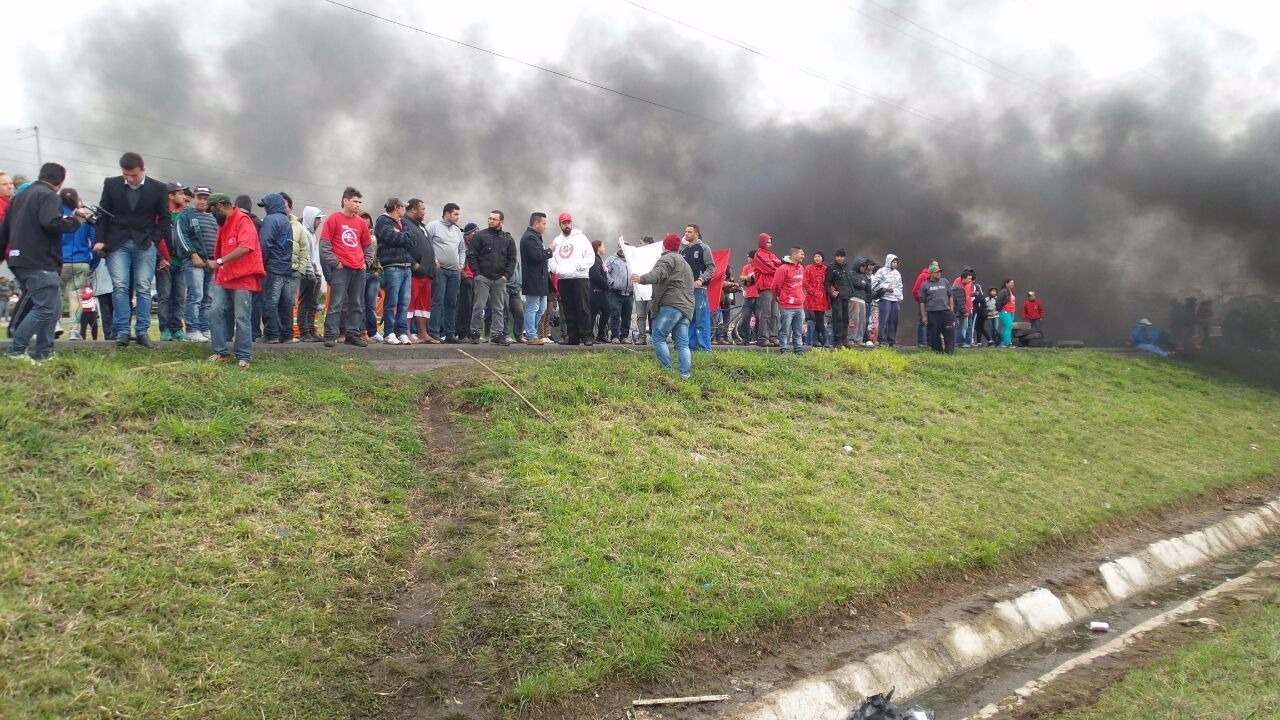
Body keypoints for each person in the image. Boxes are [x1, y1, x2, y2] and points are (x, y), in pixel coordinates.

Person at [2, 163, 93, 362]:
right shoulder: (48, 195)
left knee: (54, 306)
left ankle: (44, 352)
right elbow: (51, 222)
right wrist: (76, 220)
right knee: (45, 307)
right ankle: (16, 351)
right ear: (59, 182)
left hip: (18, 258)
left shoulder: (18, 197)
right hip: (39, 260)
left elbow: (5, 229)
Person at [94, 152, 171, 349]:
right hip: (118, 243)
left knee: (143, 287)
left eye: (133, 175)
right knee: (120, 286)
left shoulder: (158, 188)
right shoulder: (111, 184)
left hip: (145, 243)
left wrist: (154, 240)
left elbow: (164, 219)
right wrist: (100, 240)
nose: (129, 179)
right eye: (125, 175)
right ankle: (122, 331)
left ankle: (142, 331)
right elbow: (102, 215)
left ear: (142, 170)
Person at [205, 193, 266, 368]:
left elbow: (246, 247)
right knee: (215, 311)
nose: (212, 214)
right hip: (224, 276)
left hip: (243, 276)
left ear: (222, 205)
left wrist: (218, 262)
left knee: (241, 316)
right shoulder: (223, 224)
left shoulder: (243, 220)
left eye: (213, 210)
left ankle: (244, 356)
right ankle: (220, 351)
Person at [631, 233, 694, 378]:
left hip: (671, 305)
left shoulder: (667, 259)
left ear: (665, 246)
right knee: (683, 344)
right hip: (686, 308)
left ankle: (667, 372)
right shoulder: (686, 264)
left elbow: (658, 274)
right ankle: (685, 376)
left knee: (658, 337)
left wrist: (641, 278)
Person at [319, 187, 374, 347]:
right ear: (345, 201)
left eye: (359, 202)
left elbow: (368, 244)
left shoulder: (359, 222)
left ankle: (352, 334)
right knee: (336, 303)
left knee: (357, 303)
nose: (358, 205)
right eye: (355, 201)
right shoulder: (333, 219)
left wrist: (366, 262)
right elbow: (324, 244)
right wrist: (335, 262)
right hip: (341, 268)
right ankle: (330, 335)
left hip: (359, 269)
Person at [466, 210, 517, 346]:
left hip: (500, 279)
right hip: (483, 277)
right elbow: (471, 255)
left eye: (494, 219)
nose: (491, 221)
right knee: (479, 306)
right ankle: (475, 333)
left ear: (501, 221)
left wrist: (506, 276)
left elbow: (512, 259)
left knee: (498, 308)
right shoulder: (480, 236)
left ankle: (496, 334)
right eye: (490, 218)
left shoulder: (508, 239)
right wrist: (477, 273)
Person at [256, 192, 298, 344]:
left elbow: (265, 242)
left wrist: (260, 263)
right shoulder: (286, 221)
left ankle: (271, 334)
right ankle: (286, 334)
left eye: (266, 206)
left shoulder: (270, 219)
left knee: (269, 302)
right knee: (285, 303)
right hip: (286, 268)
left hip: (272, 267)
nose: (265, 209)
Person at [57, 188, 96, 340]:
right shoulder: (84, 217)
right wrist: (93, 264)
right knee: (76, 296)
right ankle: (73, 330)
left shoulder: (57, 215)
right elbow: (94, 241)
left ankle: (56, 324)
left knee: (57, 294)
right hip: (81, 261)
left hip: (60, 261)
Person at [550, 212, 594, 345]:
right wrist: (557, 270)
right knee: (568, 309)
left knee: (583, 308)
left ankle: (586, 336)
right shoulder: (557, 241)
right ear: (560, 225)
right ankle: (573, 337)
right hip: (564, 279)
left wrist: (580, 267)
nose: (567, 225)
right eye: (564, 223)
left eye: (568, 222)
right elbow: (551, 260)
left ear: (571, 223)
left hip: (580, 277)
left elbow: (590, 256)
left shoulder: (581, 238)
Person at [180, 187, 218, 343]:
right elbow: (182, 236)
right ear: (194, 198)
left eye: (206, 198)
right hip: (194, 260)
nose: (202, 201)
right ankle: (192, 329)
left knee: (208, 297)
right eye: (199, 198)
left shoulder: (215, 217)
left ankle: (204, 327)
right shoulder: (187, 215)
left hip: (211, 261)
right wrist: (193, 254)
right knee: (196, 295)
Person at [374, 197, 414, 345]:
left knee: (404, 303)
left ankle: (402, 332)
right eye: (403, 207)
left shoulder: (403, 222)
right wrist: (402, 236)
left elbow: (413, 240)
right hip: (392, 267)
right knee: (392, 301)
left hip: (406, 267)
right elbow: (390, 237)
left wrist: (400, 234)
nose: (404, 209)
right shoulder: (382, 221)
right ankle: (389, 332)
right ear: (396, 207)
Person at [155, 183, 190, 341]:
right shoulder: (160, 215)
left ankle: (177, 328)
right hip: (164, 262)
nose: (184, 196)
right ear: (170, 196)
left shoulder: (185, 215)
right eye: (180, 193)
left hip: (181, 262)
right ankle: (165, 329)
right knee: (165, 295)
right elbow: (155, 237)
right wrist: (161, 258)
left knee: (179, 296)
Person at [426, 203, 465, 343]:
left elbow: (462, 249)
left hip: (454, 272)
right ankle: (434, 332)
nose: (458, 217)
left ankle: (449, 333)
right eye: (455, 214)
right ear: (447, 214)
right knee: (438, 301)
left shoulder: (457, 230)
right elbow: (427, 245)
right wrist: (434, 260)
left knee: (452, 302)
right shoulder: (433, 226)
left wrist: (461, 265)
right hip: (440, 270)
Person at [402, 198, 437, 344]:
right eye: (422, 209)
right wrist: (413, 263)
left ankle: (423, 334)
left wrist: (433, 260)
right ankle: (407, 332)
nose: (424, 212)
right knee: (409, 303)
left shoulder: (421, 226)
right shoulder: (404, 223)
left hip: (427, 273)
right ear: (413, 209)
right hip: (414, 273)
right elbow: (403, 246)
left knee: (423, 306)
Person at [680, 224, 715, 352]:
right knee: (689, 318)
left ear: (696, 234)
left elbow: (711, 267)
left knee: (701, 318)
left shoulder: (703, 248)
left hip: (700, 289)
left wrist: (701, 279)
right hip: (686, 290)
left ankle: (704, 348)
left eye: (689, 232)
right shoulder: (683, 251)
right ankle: (691, 345)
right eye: (685, 231)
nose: (686, 234)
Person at [281, 192, 310, 342]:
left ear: (290, 208)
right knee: (273, 302)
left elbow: (305, 248)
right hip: (276, 270)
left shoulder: (298, 226)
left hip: (293, 271)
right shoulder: (269, 221)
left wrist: (301, 269)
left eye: (284, 205)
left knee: (289, 302)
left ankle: (287, 334)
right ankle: (273, 333)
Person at [520, 212, 552, 345]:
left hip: (541, 280)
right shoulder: (529, 238)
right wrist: (550, 250)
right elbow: (537, 256)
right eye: (544, 223)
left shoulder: (536, 237)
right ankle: (531, 334)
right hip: (533, 279)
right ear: (536, 223)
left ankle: (532, 331)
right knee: (532, 307)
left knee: (541, 308)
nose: (545, 226)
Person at [297, 205, 325, 342]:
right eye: (318, 219)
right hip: (308, 274)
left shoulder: (312, 234)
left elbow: (314, 257)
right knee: (305, 303)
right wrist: (311, 272)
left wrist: (318, 273)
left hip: (314, 273)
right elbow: (306, 255)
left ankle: (311, 329)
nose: (319, 222)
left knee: (313, 304)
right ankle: (304, 331)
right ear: (311, 218)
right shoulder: (304, 233)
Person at [773, 246, 807, 354]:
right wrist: (779, 297)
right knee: (785, 330)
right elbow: (775, 286)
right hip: (787, 305)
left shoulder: (801, 268)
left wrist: (803, 297)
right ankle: (783, 349)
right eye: (801, 254)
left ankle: (798, 349)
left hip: (799, 305)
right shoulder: (783, 269)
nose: (803, 256)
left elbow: (803, 285)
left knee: (798, 331)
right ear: (794, 254)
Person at [919, 263, 956, 354]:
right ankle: (938, 352)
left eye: (940, 272)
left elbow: (950, 296)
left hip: (946, 312)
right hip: (932, 313)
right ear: (930, 273)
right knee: (934, 335)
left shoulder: (945, 281)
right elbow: (922, 302)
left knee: (949, 333)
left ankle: (949, 352)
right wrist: (924, 316)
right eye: (936, 272)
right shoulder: (925, 285)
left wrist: (951, 310)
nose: (939, 273)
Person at [753, 233, 782, 347]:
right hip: (765, 288)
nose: (769, 244)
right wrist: (778, 266)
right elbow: (769, 267)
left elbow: (779, 264)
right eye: (767, 242)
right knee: (766, 314)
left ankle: (773, 337)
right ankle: (762, 338)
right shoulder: (758, 255)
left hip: (774, 288)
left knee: (775, 314)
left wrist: (778, 264)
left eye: (770, 242)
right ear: (762, 242)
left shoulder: (772, 255)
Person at [604, 240, 633, 343]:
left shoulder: (633, 260)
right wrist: (612, 283)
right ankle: (615, 336)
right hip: (615, 293)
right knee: (615, 314)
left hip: (629, 293)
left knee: (627, 316)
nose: (621, 249)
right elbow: (605, 272)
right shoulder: (611, 260)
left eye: (623, 247)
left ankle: (624, 336)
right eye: (619, 246)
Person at [825, 251, 855, 348]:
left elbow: (849, 281)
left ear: (844, 257)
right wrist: (831, 293)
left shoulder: (846, 267)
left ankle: (844, 339)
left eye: (841, 256)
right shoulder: (831, 267)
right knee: (838, 318)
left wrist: (851, 292)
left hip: (846, 296)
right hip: (837, 297)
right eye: (837, 256)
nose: (839, 258)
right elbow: (827, 282)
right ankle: (837, 341)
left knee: (845, 319)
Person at [872, 253, 903, 347]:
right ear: (889, 261)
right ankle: (881, 340)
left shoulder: (897, 273)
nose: (895, 263)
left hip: (895, 299)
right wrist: (885, 287)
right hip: (885, 298)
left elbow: (900, 286)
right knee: (884, 319)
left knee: (894, 320)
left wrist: (900, 297)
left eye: (896, 262)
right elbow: (874, 284)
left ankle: (891, 341)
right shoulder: (881, 271)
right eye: (894, 261)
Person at [804, 250, 829, 348]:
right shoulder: (809, 268)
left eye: (819, 256)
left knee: (819, 319)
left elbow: (828, 281)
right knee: (819, 319)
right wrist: (813, 291)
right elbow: (805, 282)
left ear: (822, 258)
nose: (817, 258)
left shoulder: (826, 269)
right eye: (815, 256)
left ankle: (815, 340)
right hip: (813, 297)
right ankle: (825, 340)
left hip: (823, 297)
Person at [911, 258, 938, 347]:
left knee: (932, 322)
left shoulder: (936, 278)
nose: (937, 267)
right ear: (930, 266)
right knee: (923, 321)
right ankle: (922, 342)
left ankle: (930, 342)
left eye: (938, 266)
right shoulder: (922, 276)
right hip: (924, 302)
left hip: (933, 303)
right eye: (935, 265)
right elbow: (915, 290)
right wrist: (921, 301)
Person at [588, 239, 609, 343]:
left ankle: (601, 334)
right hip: (596, 291)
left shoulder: (599, 259)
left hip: (602, 292)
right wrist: (606, 285)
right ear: (598, 247)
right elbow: (596, 276)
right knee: (593, 313)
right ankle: (589, 335)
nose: (604, 248)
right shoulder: (594, 260)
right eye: (603, 246)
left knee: (607, 310)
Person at [738, 249, 760, 345]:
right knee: (745, 317)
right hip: (748, 296)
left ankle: (759, 338)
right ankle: (745, 338)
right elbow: (742, 278)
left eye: (749, 257)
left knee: (759, 318)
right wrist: (749, 278)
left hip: (759, 296)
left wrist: (748, 279)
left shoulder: (760, 268)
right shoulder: (746, 267)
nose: (747, 258)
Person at [952, 269, 974, 348]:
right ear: (963, 278)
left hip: (962, 309)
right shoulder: (959, 287)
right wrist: (964, 311)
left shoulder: (965, 285)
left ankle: (962, 342)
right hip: (960, 311)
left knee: (963, 326)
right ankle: (961, 342)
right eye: (969, 279)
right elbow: (960, 301)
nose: (970, 280)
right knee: (962, 327)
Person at [996, 278, 1017, 348]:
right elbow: (998, 301)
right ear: (1006, 284)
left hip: (1011, 312)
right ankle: (1007, 343)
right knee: (1008, 327)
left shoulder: (1011, 291)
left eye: (1013, 283)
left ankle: (1003, 342)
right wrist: (1000, 310)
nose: (1013, 284)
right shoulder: (1003, 291)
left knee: (1006, 328)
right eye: (1011, 283)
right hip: (1005, 311)